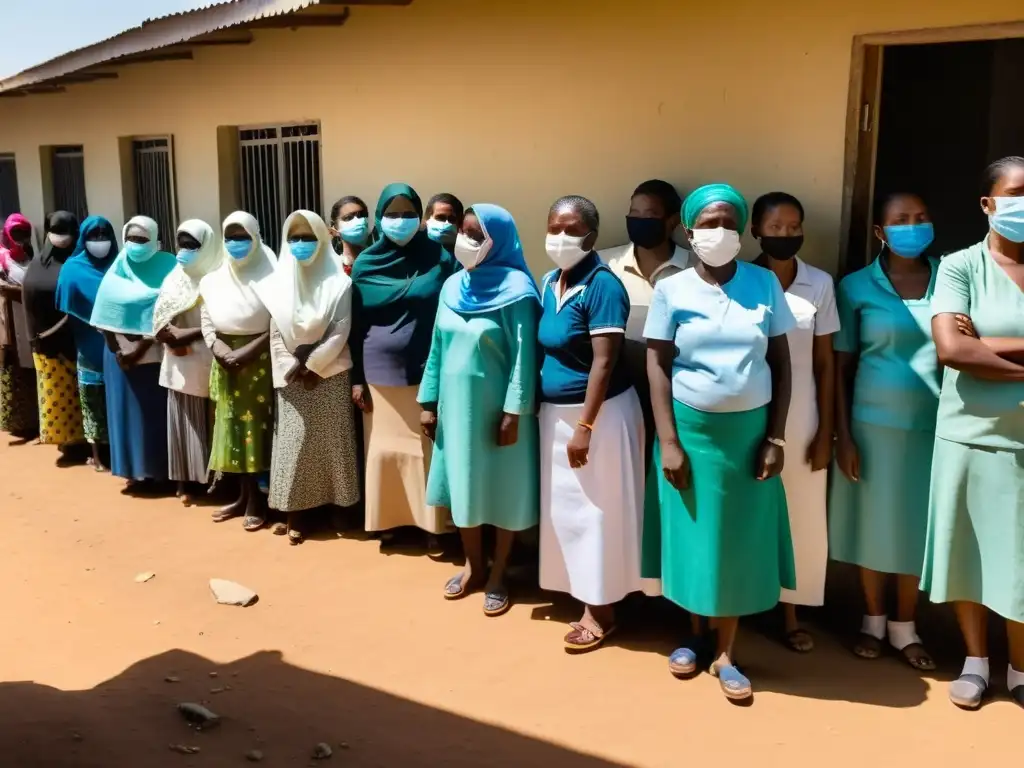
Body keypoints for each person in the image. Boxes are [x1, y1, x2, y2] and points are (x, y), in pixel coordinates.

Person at [643, 183, 796, 702]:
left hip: (749, 433)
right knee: (694, 536)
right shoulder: (672, 288)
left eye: (729, 221)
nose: (719, 232)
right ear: (688, 231)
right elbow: (657, 363)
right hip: (690, 431)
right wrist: (668, 440)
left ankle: (727, 650)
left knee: (733, 541)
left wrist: (775, 435)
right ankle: (694, 633)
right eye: (707, 224)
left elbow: (782, 361)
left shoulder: (763, 283)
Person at [923, 156, 1024, 709]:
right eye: (1017, 193)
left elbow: (974, 347)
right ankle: (976, 661)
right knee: (971, 554)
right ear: (988, 204)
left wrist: (990, 343)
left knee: (1021, 558)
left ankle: (1020, 667)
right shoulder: (960, 266)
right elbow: (952, 350)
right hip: (969, 434)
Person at [829, 191, 940, 672]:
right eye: (900, 220)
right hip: (871, 427)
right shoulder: (856, 287)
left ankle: (906, 627)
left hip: (935, 429)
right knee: (872, 525)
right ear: (880, 232)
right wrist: (842, 437)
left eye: (920, 218)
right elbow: (839, 368)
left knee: (918, 527)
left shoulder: (953, 280)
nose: (911, 227)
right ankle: (872, 621)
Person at [420, 204, 540, 616]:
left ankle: (499, 573)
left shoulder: (518, 290)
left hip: (499, 412)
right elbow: (437, 347)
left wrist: (514, 412)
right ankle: (474, 565)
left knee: (503, 488)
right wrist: (428, 402)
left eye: (476, 234)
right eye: (464, 232)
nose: (465, 241)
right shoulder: (453, 287)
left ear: (498, 240)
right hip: (456, 411)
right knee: (465, 486)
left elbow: (525, 356)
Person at [537, 195, 645, 651]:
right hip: (556, 417)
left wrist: (586, 426)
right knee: (567, 512)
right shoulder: (549, 281)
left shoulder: (603, 286)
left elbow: (605, 362)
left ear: (592, 238)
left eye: (571, 229)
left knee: (598, 512)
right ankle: (582, 592)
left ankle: (601, 611)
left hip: (598, 418)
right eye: (554, 227)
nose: (560, 238)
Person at [751, 192, 839, 653]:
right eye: (775, 227)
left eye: (793, 227)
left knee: (800, 515)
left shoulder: (819, 284)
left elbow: (825, 364)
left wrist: (826, 431)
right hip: (748, 414)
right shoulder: (739, 280)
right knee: (748, 512)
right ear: (755, 231)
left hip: (803, 417)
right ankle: (740, 601)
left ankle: (790, 609)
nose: (785, 235)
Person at [350, 183, 457, 537]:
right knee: (384, 450)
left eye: (408, 213)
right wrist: (356, 379)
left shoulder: (440, 259)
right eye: (392, 214)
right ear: (379, 218)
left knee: (424, 451)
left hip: (427, 370)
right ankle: (389, 522)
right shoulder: (366, 262)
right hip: (378, 372)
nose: (400, 220)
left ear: (420, 217)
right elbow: (356, 322)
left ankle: (431, 526)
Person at [266, 210, 360, 544]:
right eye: (295, 238)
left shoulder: (340, 282)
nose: (301, 244)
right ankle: (296, 514)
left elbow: (340, 329)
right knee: (295, 446)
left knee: (333, 445)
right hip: (291, 378)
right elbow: (275, 332)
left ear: (322, 240)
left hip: (330, 374)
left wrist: (314, 365)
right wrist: (295, 367)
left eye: (308, 238)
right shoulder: (274, 283)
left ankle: (339, 509)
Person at [199, 212, 276, 531]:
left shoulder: (274, 275)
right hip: (225, 361)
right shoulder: (213, 278)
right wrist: (217, 347)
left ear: (256, 236)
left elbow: (279, 319)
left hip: (259, 362)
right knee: (231, 430)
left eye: (242, 235)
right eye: (229, 236)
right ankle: (242, 497)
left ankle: (259, 501)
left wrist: (249, 350)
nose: (235, 242)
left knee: (257, 432)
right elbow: (206, 317)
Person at [90, 215, 176, 490]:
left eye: (142, 239)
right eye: (131, 239)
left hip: (154, 355)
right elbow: (104, 315)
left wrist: (140, 348)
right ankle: (133, 473)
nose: (136, 244)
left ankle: (159, 474)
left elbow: (171, 310)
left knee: (153, 417)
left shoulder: (169, 266)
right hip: (118, 357)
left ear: (155, 240)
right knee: (125, 416)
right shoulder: (116, 270)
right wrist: (121, 350)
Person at [152, 220, 222, 503]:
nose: (186, 250)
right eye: (182, 244)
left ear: (207, 246)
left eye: (193, 245)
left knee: (213, 421)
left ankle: (215, 482)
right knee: (185, 422)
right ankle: (184, 481)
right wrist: (191, 333)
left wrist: (189, 333)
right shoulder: (174, 278)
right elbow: (160, 326)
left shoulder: (218, 276)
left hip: (215, 359)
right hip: (182, 361)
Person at [55, 216, 118, 469]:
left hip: (120, 346)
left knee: (116, 400)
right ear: (84, 238)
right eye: (94, 236)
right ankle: (98, 454)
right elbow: (67, 308)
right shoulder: (72, 268)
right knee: (93, 401)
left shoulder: (120, 265)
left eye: (104, 235)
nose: (99, 241)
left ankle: (118, 452)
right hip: (89, 345)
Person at [23, 211, 85, 459]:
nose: (61, 239)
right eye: (56, 232)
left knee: (79, 394)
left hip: (78, 339)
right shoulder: (39, 263)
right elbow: (30, 302)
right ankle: (66, 442)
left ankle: (83, 442)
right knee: (58, 395)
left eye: (66, 233)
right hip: (47, 341)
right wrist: (37, 336)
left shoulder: (79, 262)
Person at [0, 213, 40, 438]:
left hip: (29, 317)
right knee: (14, 367)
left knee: (32, 367)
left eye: (24, 233)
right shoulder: (2, 257)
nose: (20, 238)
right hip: (10, 318)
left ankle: (34, 419)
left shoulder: (30, 255)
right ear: (7, 233)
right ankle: (17, 422)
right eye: (15, 233)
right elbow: (2, 288)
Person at [328, 195, 372, 275]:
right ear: (334, 228)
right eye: (348, 218)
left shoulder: (377, 259)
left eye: (361, 215)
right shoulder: (332, 266)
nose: (358, 221)